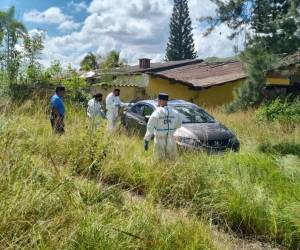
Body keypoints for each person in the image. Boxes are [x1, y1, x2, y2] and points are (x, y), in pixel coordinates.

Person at [144, 93, 182, 160]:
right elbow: (179, 124)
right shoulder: (175, 112)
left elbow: (150, 126)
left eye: (158, 100)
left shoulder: (157, 113)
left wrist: (146, 140)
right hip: (171, 140)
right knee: (171, 159)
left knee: (159, 160)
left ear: (160, 100)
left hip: (159, 140)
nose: (158, 102)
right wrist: (171, 129)